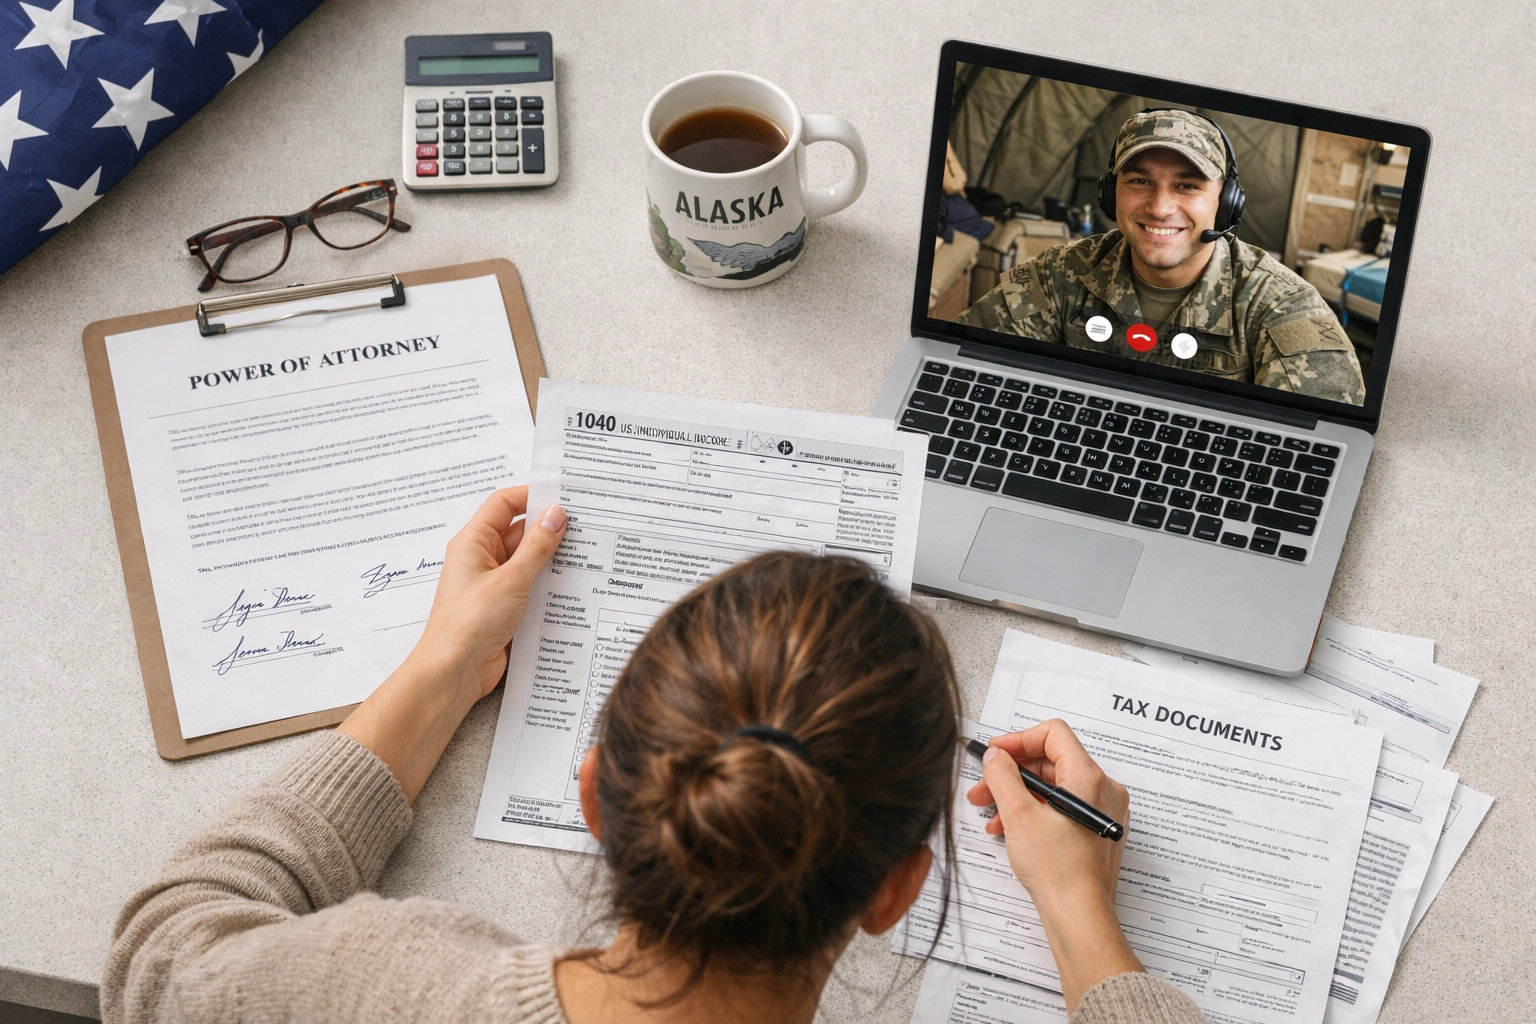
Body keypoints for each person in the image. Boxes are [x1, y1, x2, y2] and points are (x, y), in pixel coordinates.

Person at [103, 487, 1205, 1024]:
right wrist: (1082, 914)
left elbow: (162, 949)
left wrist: (440, 664)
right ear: (895, 891)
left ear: (595, 798)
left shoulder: (394, 991)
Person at [955, 109, 1366, 406]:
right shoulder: (1060, 272)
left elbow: (1314, 445)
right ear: (1110, 194)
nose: (1159, 207)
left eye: (1187, 185)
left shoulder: (1281, 306)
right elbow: (960, 368)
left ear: (1226, 204)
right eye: (1139, 181)